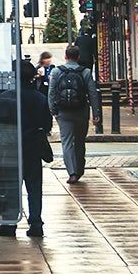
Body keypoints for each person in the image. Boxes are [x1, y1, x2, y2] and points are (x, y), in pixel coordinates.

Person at [0, 58, 49, 238]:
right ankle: (36, 223)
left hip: (11, 147)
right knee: (34, 187)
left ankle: (9, 223)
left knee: (10, 186)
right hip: (33, 147)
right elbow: (47, 124)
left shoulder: (6, 96)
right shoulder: (40, 98)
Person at [48, 42, 102, 183]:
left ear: (65, 56)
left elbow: (51, 93)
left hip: (63, 112)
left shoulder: (56, 72)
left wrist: (53, 109)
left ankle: (71, 172)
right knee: (79, 142)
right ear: (78, 57)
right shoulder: (85, 72)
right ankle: (79, 170)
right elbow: (92, 94)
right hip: (81, 111)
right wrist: (96, 113)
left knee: (66, 142)